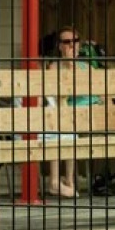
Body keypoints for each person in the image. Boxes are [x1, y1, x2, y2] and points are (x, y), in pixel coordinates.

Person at [43, 26, 99, 199]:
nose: (71, 46)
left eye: (75, 42)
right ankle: (67, 181)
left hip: (88, 111)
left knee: (66, 122)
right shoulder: (54, 68)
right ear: (60, 46)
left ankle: (67, 180)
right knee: (63, 121)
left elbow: (99, 93)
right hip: (67, 112)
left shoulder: (86, 68)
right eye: (66, 42)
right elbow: (56, 95)